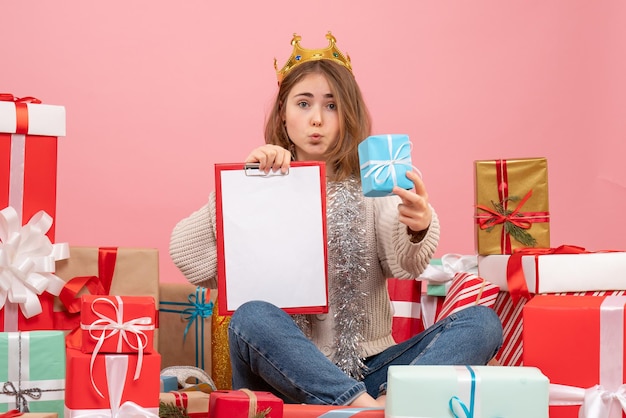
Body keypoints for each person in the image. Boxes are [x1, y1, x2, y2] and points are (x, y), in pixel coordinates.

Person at [169, 32, 503, 407]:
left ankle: (394, 400)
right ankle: (368, 409)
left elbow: (407, 264)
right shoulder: (260, 184)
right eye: (303, 103)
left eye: (331, 106)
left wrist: (418, 223)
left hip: (371, 367)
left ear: (348, 114)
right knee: (251, 317)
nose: (316, 119)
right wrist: (243, 185)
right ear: (283, 112)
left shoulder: (369, 187)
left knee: (482, 323)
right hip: (280, 374)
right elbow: (188, 253)